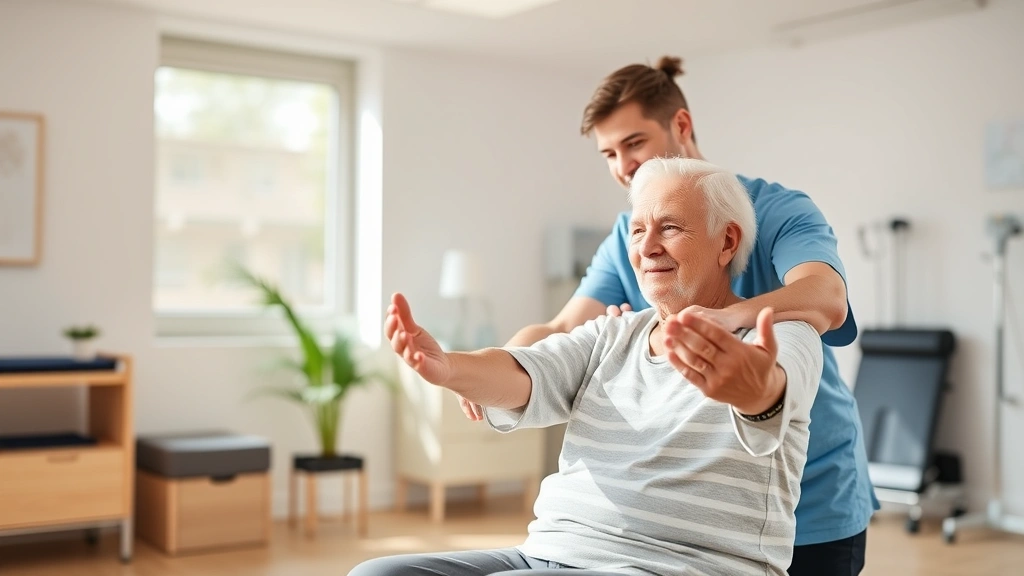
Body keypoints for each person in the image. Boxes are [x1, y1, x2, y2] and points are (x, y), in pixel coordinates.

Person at [458, 57, 877, 575]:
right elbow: (562, 328)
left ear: (681, 125)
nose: (622, 167)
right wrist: (496, 366)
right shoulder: (628, 234)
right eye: (609, 153)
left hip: (809, 492)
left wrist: (725, 319)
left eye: (634, 143)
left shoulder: (777, 210)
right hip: (692, 506)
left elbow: (825, 298)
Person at [361, 158, 823, 576]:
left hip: (677, 565)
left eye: (670, 228)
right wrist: (448, 368)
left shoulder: (782, 335)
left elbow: (773, 391)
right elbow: (526, 373)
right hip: (551, 551)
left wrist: (753, 392)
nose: (647, 247)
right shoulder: (614, 333)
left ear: (726, 241)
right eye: (638, 231)